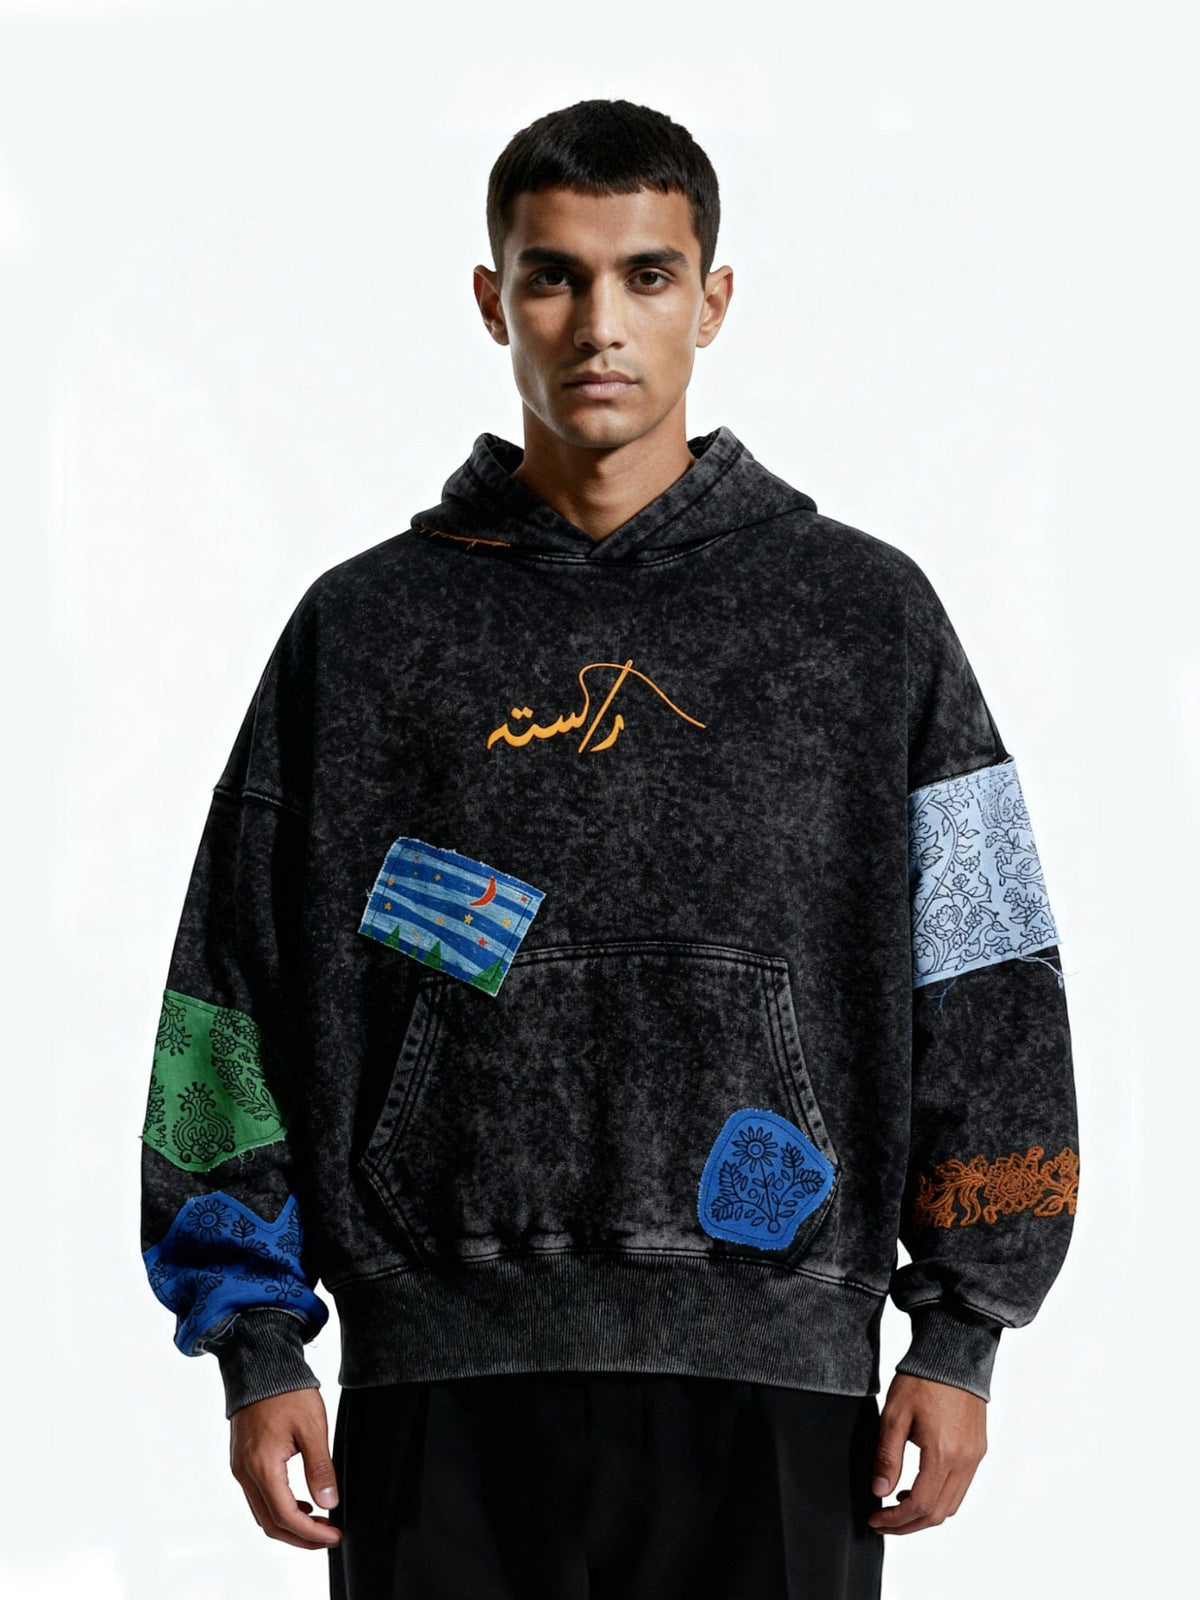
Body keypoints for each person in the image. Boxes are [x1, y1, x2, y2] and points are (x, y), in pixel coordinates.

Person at [139, 97, 1079, 1599]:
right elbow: (229, 993)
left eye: (647, 274)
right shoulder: (365, 631)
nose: (599, 324)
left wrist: (964, 1330)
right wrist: (256, 1343)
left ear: (713, 299)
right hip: (439, 1380)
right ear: (491, 300)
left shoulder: (863, 618)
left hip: (778, 1373)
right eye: (553, 276)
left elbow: (988, 973)